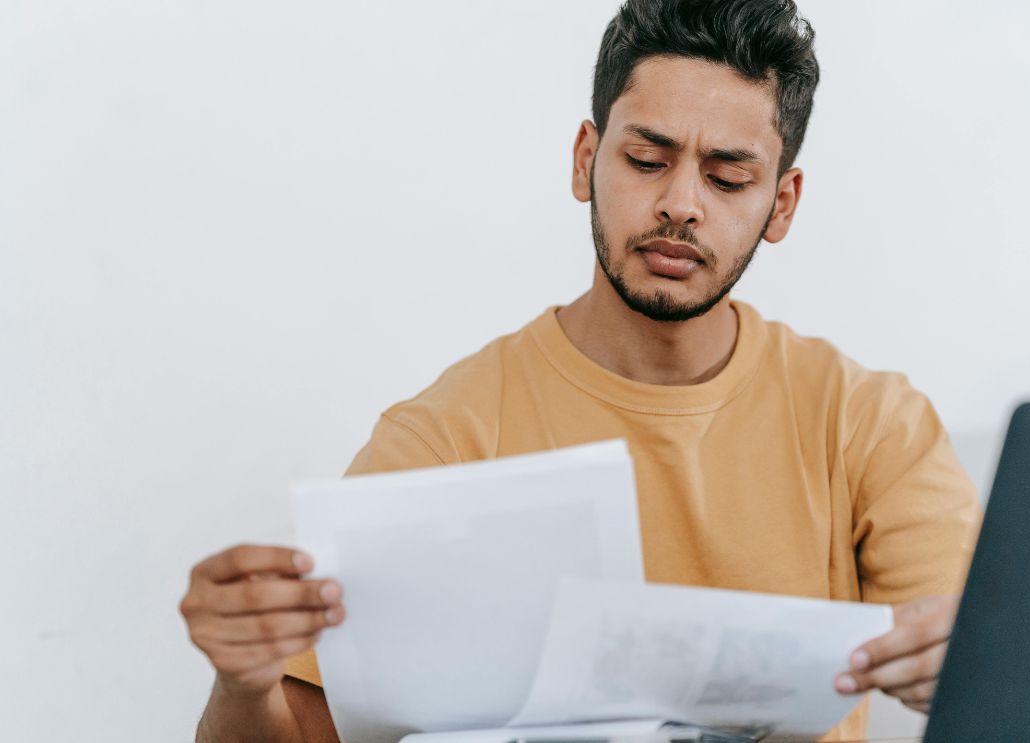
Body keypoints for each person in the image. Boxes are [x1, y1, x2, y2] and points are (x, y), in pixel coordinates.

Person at [178, 1, 981, 740]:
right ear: (585, 160)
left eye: (728, 176)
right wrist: (243, 683)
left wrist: (969, 661)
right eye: (645, 159)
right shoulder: (449, 433)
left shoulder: (868, 421)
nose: (682, 204)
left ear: (781, 203)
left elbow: (995, 675)